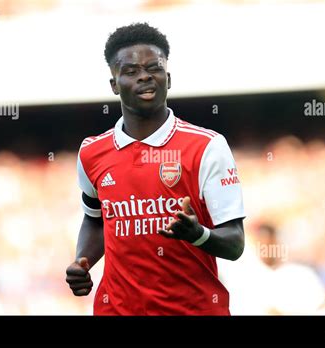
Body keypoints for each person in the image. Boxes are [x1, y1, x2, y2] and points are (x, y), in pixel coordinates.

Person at [65, 23, 246, 315]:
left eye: (154, 68)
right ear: (114, 84)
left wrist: (197, 233)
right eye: (131, 71)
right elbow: (95, 219)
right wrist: (81, 261)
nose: (145, 76)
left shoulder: (206, 147)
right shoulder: (91, 153)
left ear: (168, 79)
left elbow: (235, 244)